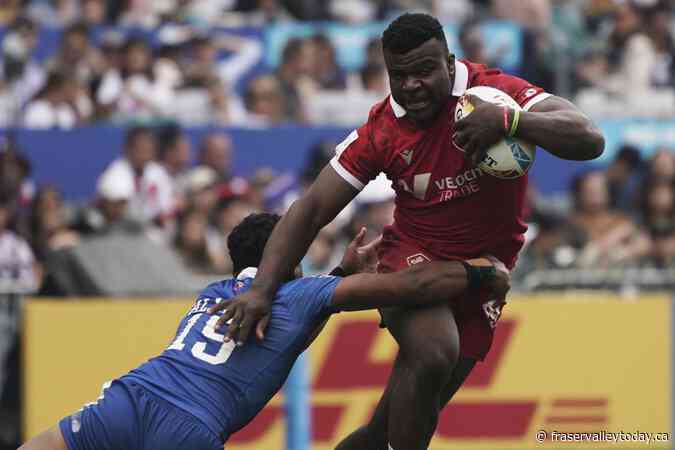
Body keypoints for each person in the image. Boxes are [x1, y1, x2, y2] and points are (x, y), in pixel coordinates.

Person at [212, 12, 605, 450]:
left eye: (424, 70)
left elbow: (589, 139)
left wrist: (512, 123)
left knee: (384, 433)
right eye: (399, 75)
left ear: (450, 62)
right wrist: (262, 290)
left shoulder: (494, 94)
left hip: (486, 273)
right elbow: (311, 209)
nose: (412, 85)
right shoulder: (383, 130)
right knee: (436, 351)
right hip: (412, 260)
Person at [18, 212, 509, 450]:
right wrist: (481, 273)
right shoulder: (300, 294)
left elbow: (285, 328)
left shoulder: (212, 290)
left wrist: (334, 274)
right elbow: (411, 285)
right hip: (188, 428)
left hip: (133, 396)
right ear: (287, 256)